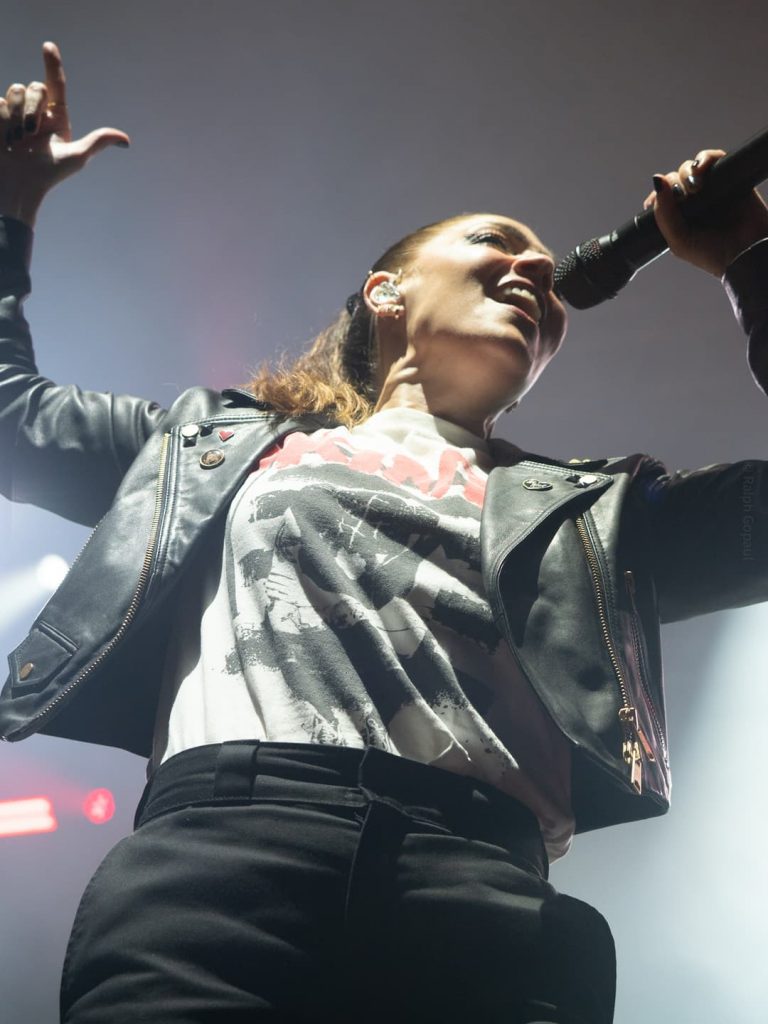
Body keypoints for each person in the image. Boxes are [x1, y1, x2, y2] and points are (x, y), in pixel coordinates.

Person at [1, 42, 766, 1024]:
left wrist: (750, 259)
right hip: (222, 866)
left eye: (545, 269)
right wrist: (10, 206)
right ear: (386, 292)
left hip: (483, 902)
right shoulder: (214, 445)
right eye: (496, 241)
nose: (537, 266)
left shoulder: (593, 514)